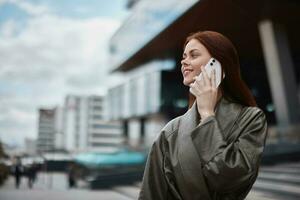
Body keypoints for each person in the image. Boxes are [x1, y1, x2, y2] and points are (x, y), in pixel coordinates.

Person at [138, 31, 268, 200]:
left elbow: (230, 180)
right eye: (184, 56)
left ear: (218, 65)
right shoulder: (170, 132)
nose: (184, 61)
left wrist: (207, 115)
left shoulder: (251, 119)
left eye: (194, 55)